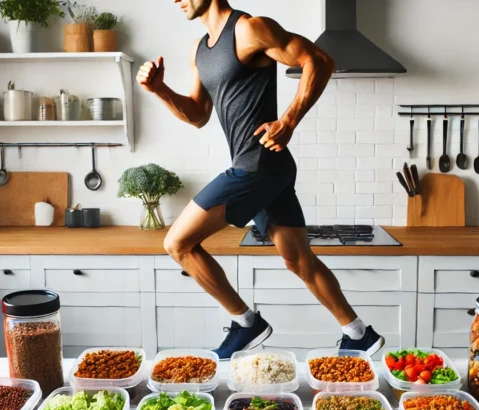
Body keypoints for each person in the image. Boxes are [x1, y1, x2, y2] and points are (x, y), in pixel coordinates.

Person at [137, 0, 384, 359]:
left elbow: (320, 60)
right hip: (266, 167)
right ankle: (358, 333)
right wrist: (160, 89)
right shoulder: (199, 49)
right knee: (299, 260)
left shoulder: (249, 29)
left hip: (258, 165)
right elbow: (198, 115)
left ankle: (246, 322)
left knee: (178, 243)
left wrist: (289, 121)